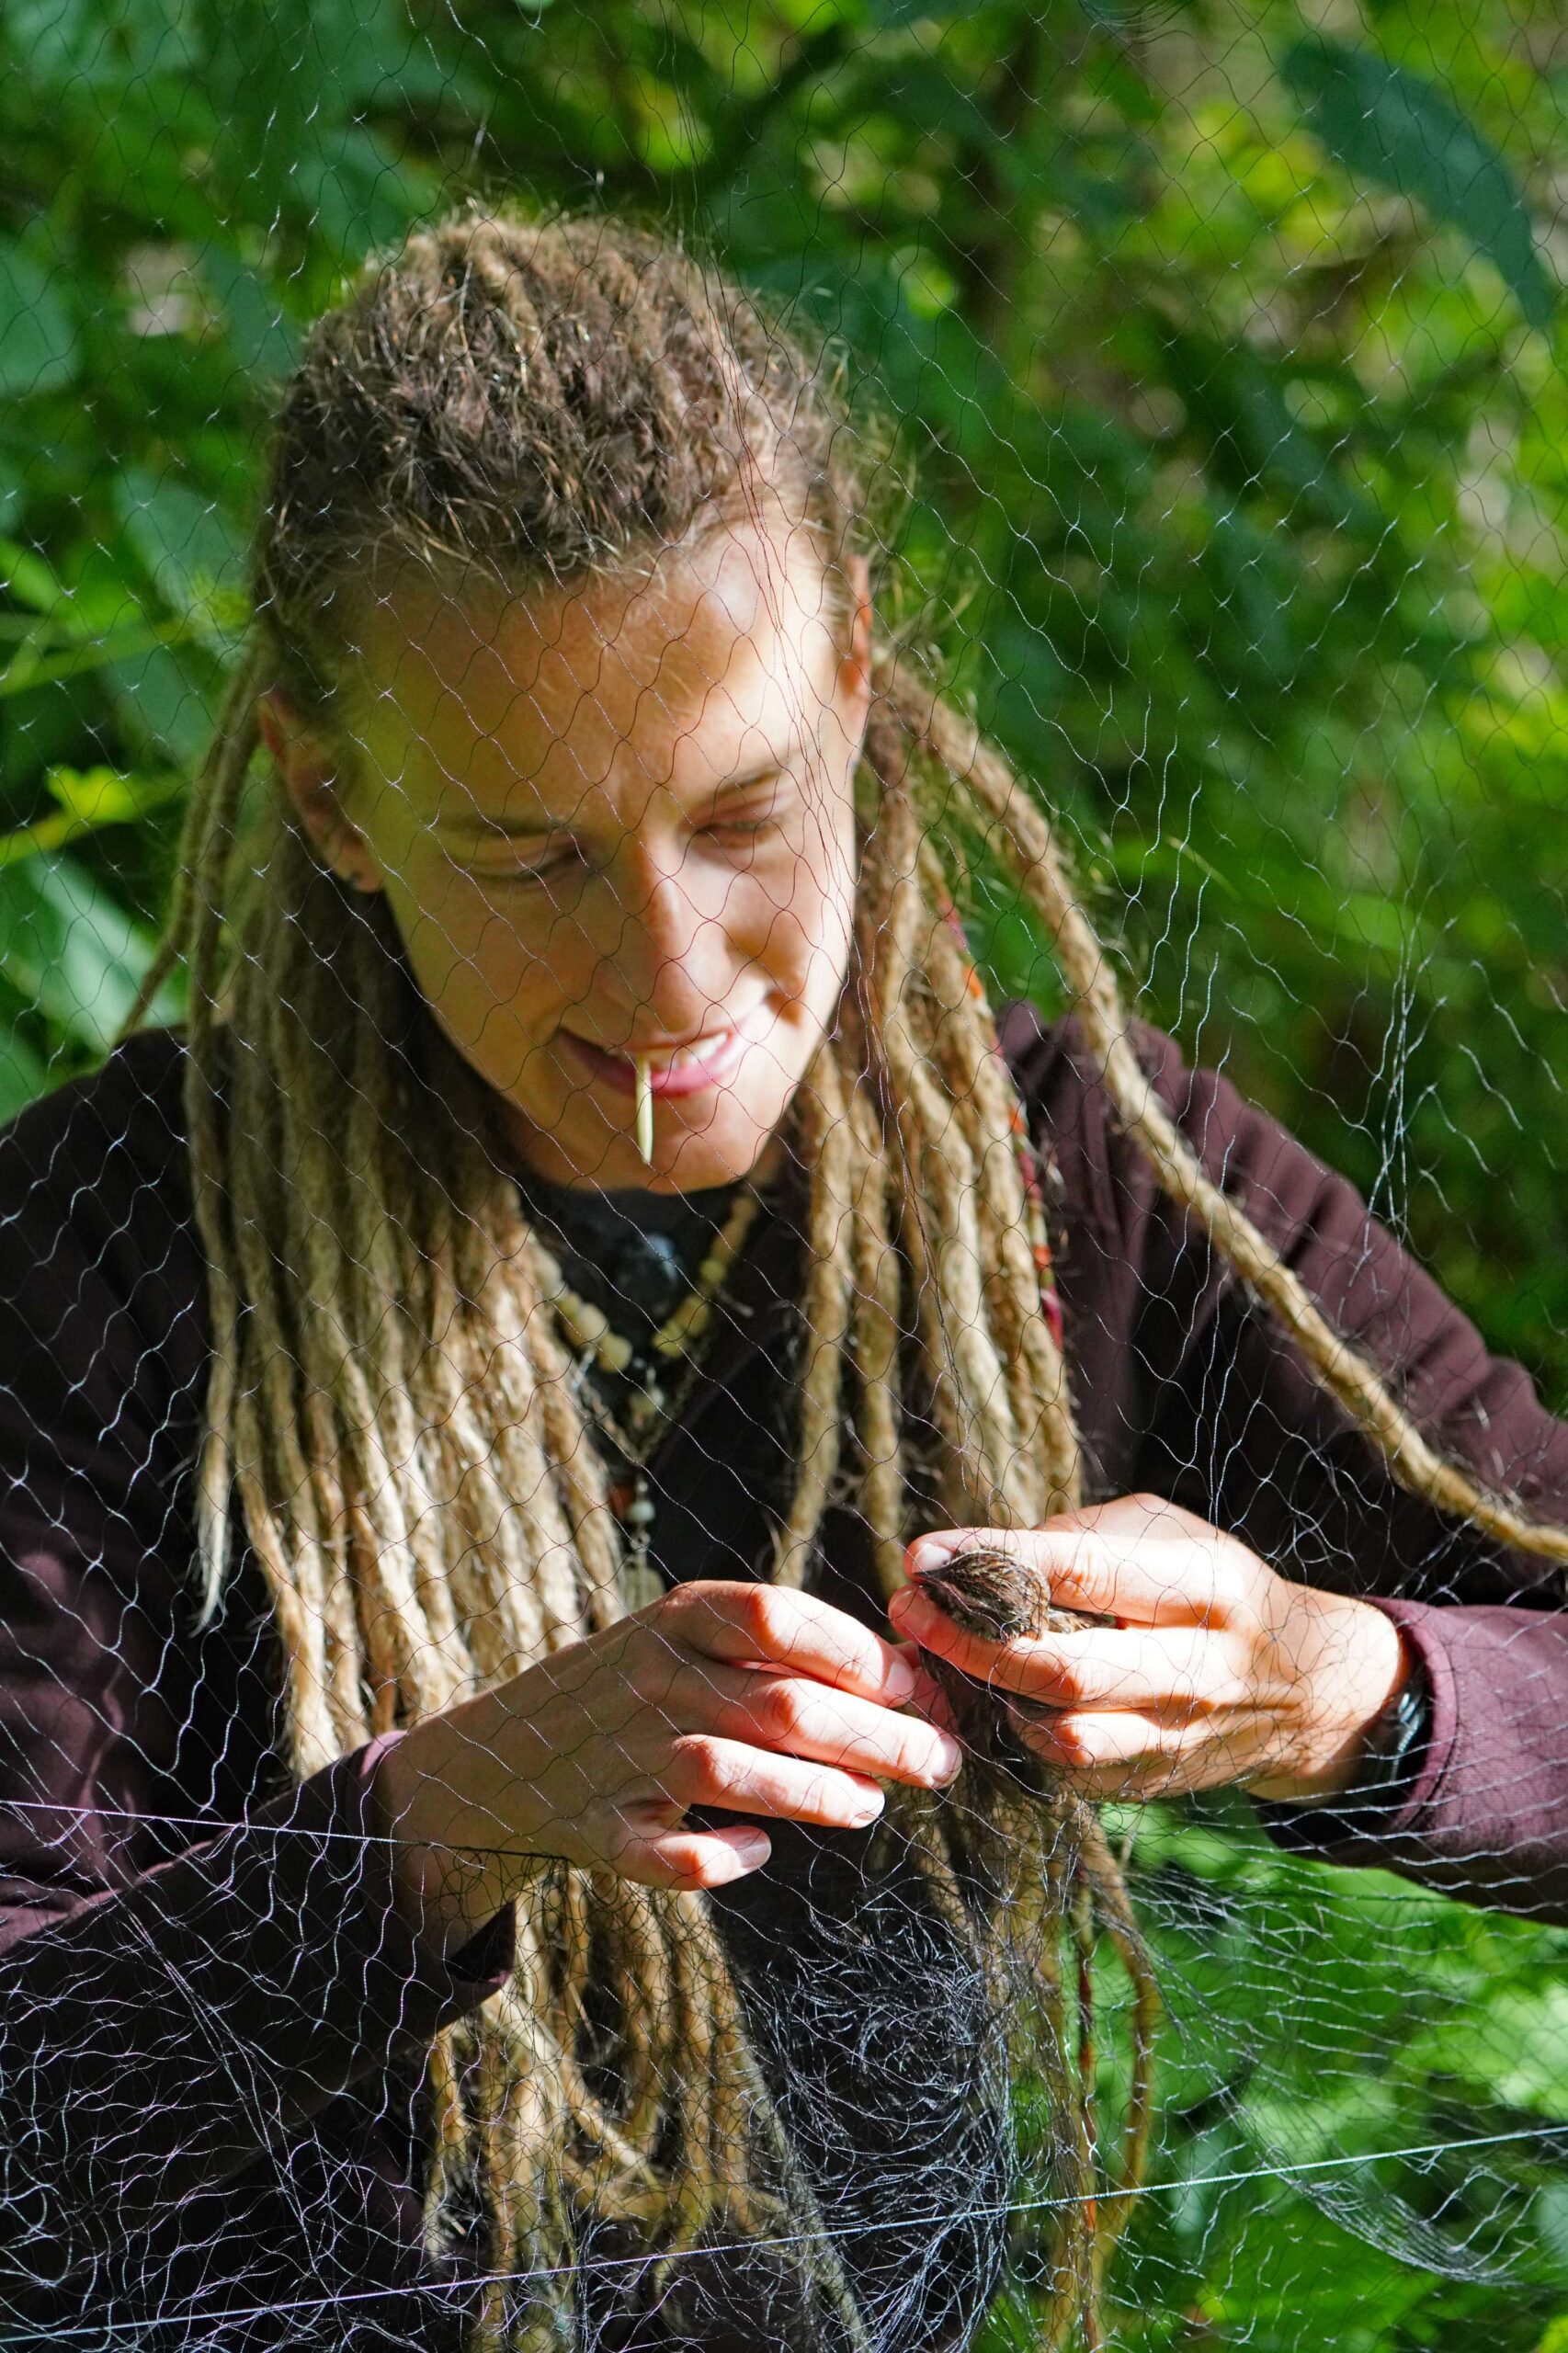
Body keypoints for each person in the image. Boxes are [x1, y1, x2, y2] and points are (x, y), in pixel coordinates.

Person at [1, 202, 1565, 2353]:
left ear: (854, 677)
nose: (668, 977)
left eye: (742, 811)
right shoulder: (99, 1249)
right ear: (330, 795)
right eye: (527, 854)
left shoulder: (1067, 1179)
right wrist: (436, 1828)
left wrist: (1339, 1684)